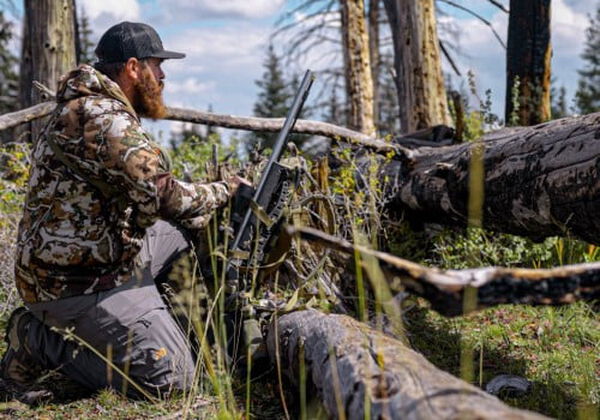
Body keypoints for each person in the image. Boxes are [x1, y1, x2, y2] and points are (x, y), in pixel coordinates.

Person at [1, 21, 245, 399]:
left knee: (185, 231)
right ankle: (37, 339)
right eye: (156, 65)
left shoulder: (95, 106)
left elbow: (156, 200)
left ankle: (171, 323)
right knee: (174, 380)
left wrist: (205, 213)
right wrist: (226, 190)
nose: (162, 76)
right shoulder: (105, 118)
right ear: (133, 68)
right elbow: (167, 197)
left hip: (100, 256)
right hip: (74, 283)